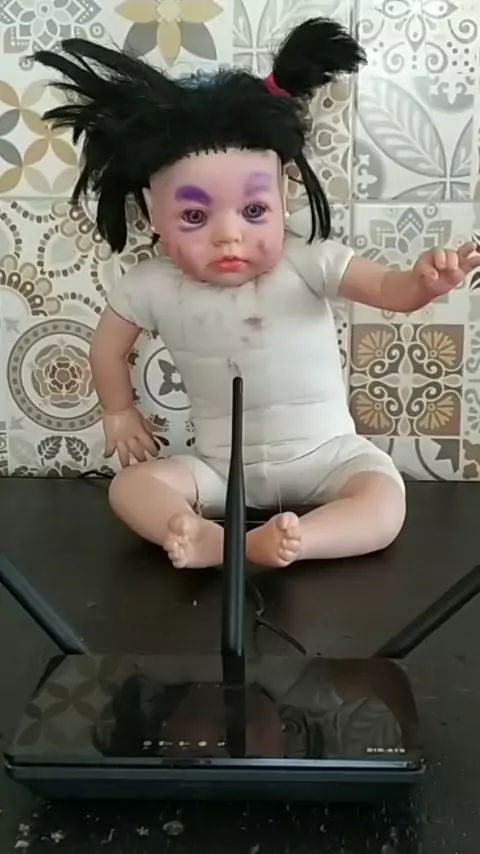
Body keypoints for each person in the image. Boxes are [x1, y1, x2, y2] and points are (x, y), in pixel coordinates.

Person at [33, 20, 480, 570]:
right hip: (220, 469)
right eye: (194, 216)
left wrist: (423, 283)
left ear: (284, 193)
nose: (228, 236)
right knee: (130, 488)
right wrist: (118, 411)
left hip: (328, 456)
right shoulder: (151, 285)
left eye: (252, 210)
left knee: (384, 501)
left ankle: (298, 541)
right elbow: (107, 347)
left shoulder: (308, 260)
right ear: (152, 210)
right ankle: (214, 542)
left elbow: (390, 289)